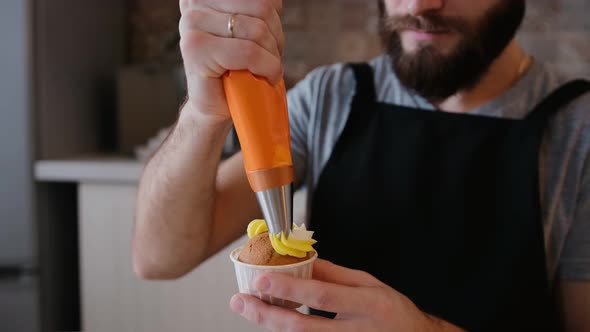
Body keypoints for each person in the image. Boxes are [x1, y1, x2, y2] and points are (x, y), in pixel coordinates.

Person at [133, 0, 590, 330]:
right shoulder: (331, 97)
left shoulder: (579, 130)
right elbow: (158, 259)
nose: (419, 4)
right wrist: (202, 113)